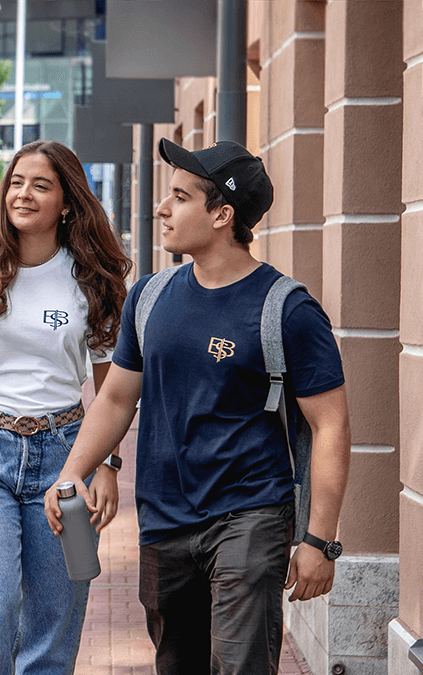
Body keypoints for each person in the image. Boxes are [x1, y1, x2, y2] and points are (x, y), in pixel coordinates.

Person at [45, 139, 351, 675]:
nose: (162, 208)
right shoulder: (150, 296)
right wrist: (72, 472)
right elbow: (116, 397)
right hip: (164, 521)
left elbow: (330, 424)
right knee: (178, 665)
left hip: (250, 515)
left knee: (239, 666)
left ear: (222, 215)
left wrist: (319, 540)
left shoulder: (288, 309)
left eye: (180, 197)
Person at [0, 140, 132, 675]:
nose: (24, 193)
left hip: (68, 460)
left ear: (67, 202)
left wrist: (107, 466)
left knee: (57, 622)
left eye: (41, 185)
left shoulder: (93, 280)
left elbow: (114, 390)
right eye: (16, 182)